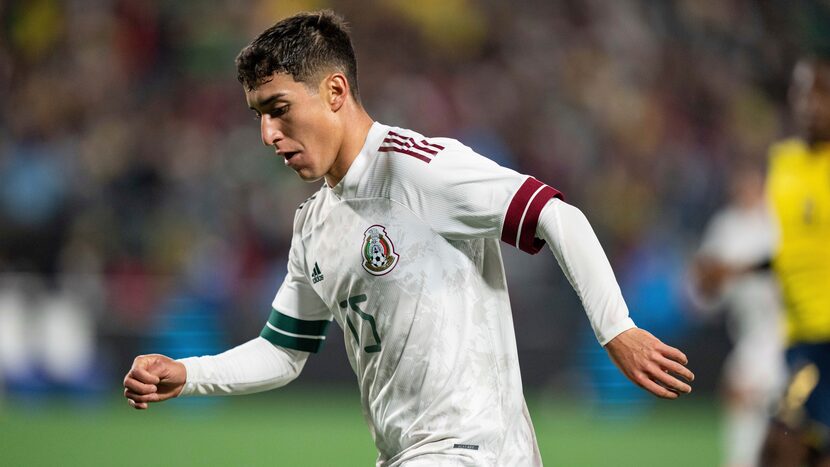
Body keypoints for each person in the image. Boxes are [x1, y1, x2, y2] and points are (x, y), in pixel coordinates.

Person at [123, 11, 693, 466]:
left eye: (279, 109)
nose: (268, 134)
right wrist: (189, 374)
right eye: (258, 116)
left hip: (471, 450)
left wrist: (616, 329)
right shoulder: (314, 223)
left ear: (336, 91)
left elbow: (554, 214)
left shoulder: (419, 167)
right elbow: (283, 351)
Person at [689, 166, 785, 467]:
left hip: (789, 330)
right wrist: (707, 279)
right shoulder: (726, 226)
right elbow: (702, 296)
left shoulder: (780, 219)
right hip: (752, 334)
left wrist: (732, 270)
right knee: (742, 393)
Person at [760, 56, 830, 467]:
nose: (810, 103)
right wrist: (735, 270)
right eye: (802, 92)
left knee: (785, 444)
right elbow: (793, 254)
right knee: (784, 446)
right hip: (800, 339)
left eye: (821, 92)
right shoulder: (782, 163)